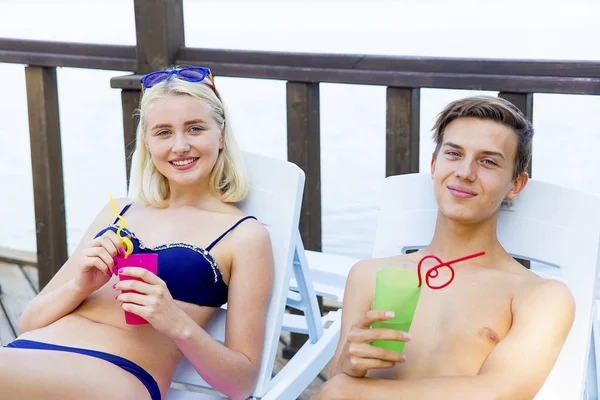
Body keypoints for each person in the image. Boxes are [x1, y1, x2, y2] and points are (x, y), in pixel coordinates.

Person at [0, 66, 274, 400]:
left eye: (195, 128)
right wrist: (80, 286)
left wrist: (175, 321)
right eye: (163, 132)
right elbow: (29, 322)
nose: (180, 145)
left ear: (220, 134)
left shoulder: (244, 236)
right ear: (147, 141)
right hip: (30, 353)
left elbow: (241, 384)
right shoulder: (120, 211)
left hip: (115, 373)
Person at [314, 96, 575, 399]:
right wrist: (347, 367)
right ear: (435, 165)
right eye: (454, 154)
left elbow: (498, 393)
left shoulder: (539, 297)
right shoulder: (369, 275)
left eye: (488, 161)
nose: (465, 172)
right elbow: (334, 387)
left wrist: (348, 390)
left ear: (515, 184)